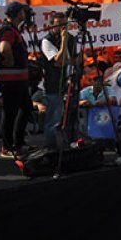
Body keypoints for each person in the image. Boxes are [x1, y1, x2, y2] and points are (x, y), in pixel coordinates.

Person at [0, 2, 32, 157]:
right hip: (10, 79)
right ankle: (7, 146)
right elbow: (4, 47)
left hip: (18, 79)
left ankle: (19, 142)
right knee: (10, 112)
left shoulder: (13, 29)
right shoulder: (7, 30)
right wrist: (9, 60)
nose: (25, 14)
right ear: (18, 14)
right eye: (23, 12)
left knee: (27, 108)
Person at [40, 10, 81, 147]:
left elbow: (79, 58)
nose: (62, 28)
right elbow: (59, 61)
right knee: (54, 119)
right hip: (54, 84)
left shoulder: (72, 38)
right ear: (52, 25)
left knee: (72, 118)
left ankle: (72, 144)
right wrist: (63, 41)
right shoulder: (47, 40)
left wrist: (69, 61)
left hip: (70, 83)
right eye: (59, 25)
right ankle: (51, 147)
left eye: (65, 25)